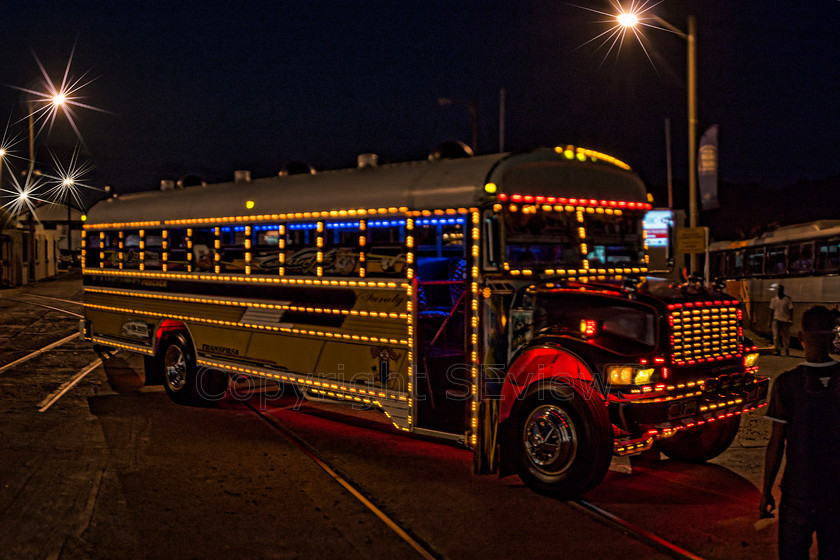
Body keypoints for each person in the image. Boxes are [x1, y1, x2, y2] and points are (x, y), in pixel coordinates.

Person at [761, 305, 840, 559]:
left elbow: (776, 443)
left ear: (801, 337)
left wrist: (766, 492)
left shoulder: (786, 383)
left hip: (798, 495)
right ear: (832, 337)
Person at [769, 284, 794, 355]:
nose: (778, 291)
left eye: (780, 290)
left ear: (782, 290)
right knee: (776, 336)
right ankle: (777, 349)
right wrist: (770, 320)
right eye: (778, 290)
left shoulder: (787, 299)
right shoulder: (774, 299)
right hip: (776, 319)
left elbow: (791, 309)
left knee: (785, 336)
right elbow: (772, 311)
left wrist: (790, 319)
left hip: (785, 320)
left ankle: (786, 349)